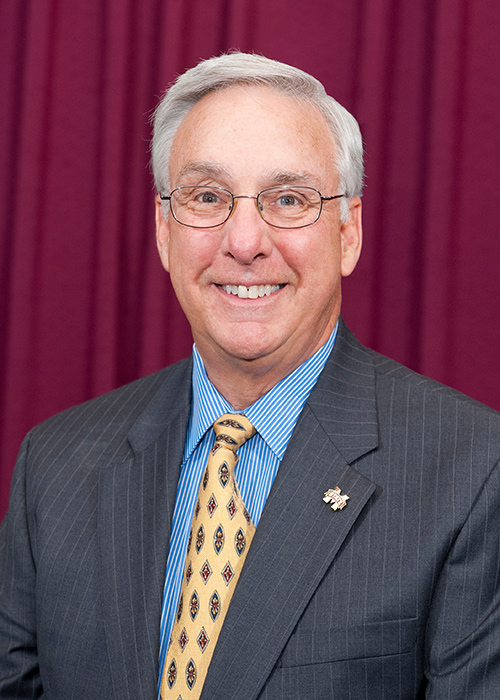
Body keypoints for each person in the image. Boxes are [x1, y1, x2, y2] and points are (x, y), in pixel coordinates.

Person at [1, 52, 500, 700]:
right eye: (207, 197)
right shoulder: (56, 465)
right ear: (163, 230)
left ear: (348, 230)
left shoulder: (471, 471)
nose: (243, 241)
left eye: (287, 199)